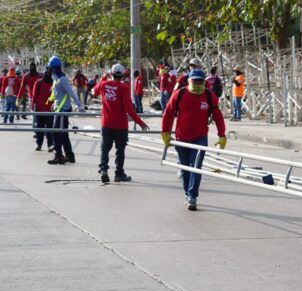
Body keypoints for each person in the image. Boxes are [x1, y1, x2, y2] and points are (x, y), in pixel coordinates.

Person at [161, 69, 227, 211]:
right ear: (189, 81)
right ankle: (187, 193)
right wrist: (165, 132)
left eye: (200, 81)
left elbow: (218, 116)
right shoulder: (179, 94)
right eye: (194, 80)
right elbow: (168, 113)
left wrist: (222, 134)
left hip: (200, 138)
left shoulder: (209, 96)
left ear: (204, 82)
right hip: (181, 138)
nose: (197, 84)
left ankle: (192, 196)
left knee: (195, 168)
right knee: (185, 169)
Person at [92, 64, 149, 183]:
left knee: (104, 148)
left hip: (106, 123)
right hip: (120, 125)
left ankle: (103, 170)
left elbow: (93, 91)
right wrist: (141, 123)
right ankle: (119, 174)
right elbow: (129, 109)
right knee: (120, 150)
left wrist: (104, 78)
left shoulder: (103, 84)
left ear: (111, 73)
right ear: (123, 74)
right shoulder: (124, 88)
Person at [46, 55, 85, 165]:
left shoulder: (62, 79)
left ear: (54, 68)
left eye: (50, 68)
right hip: (59, 108)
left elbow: (71, 93)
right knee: (63, 133)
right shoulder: (56, 78)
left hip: (63, 110)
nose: (49, 70)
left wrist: (80, 106)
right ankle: (70, 156)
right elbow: (57, 93)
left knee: (56, 132)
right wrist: (53, 102)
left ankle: (59, 156)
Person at [31, 70, 54, 151]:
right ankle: (39, 144)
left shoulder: (54, 83)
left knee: (49, 128)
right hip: (39, 109)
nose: (47, 75)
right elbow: (34, 95)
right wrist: (33, 106)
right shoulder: (38, 83)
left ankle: (50, 145)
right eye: (45, 74)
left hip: (50, 110)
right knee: (39, 128)